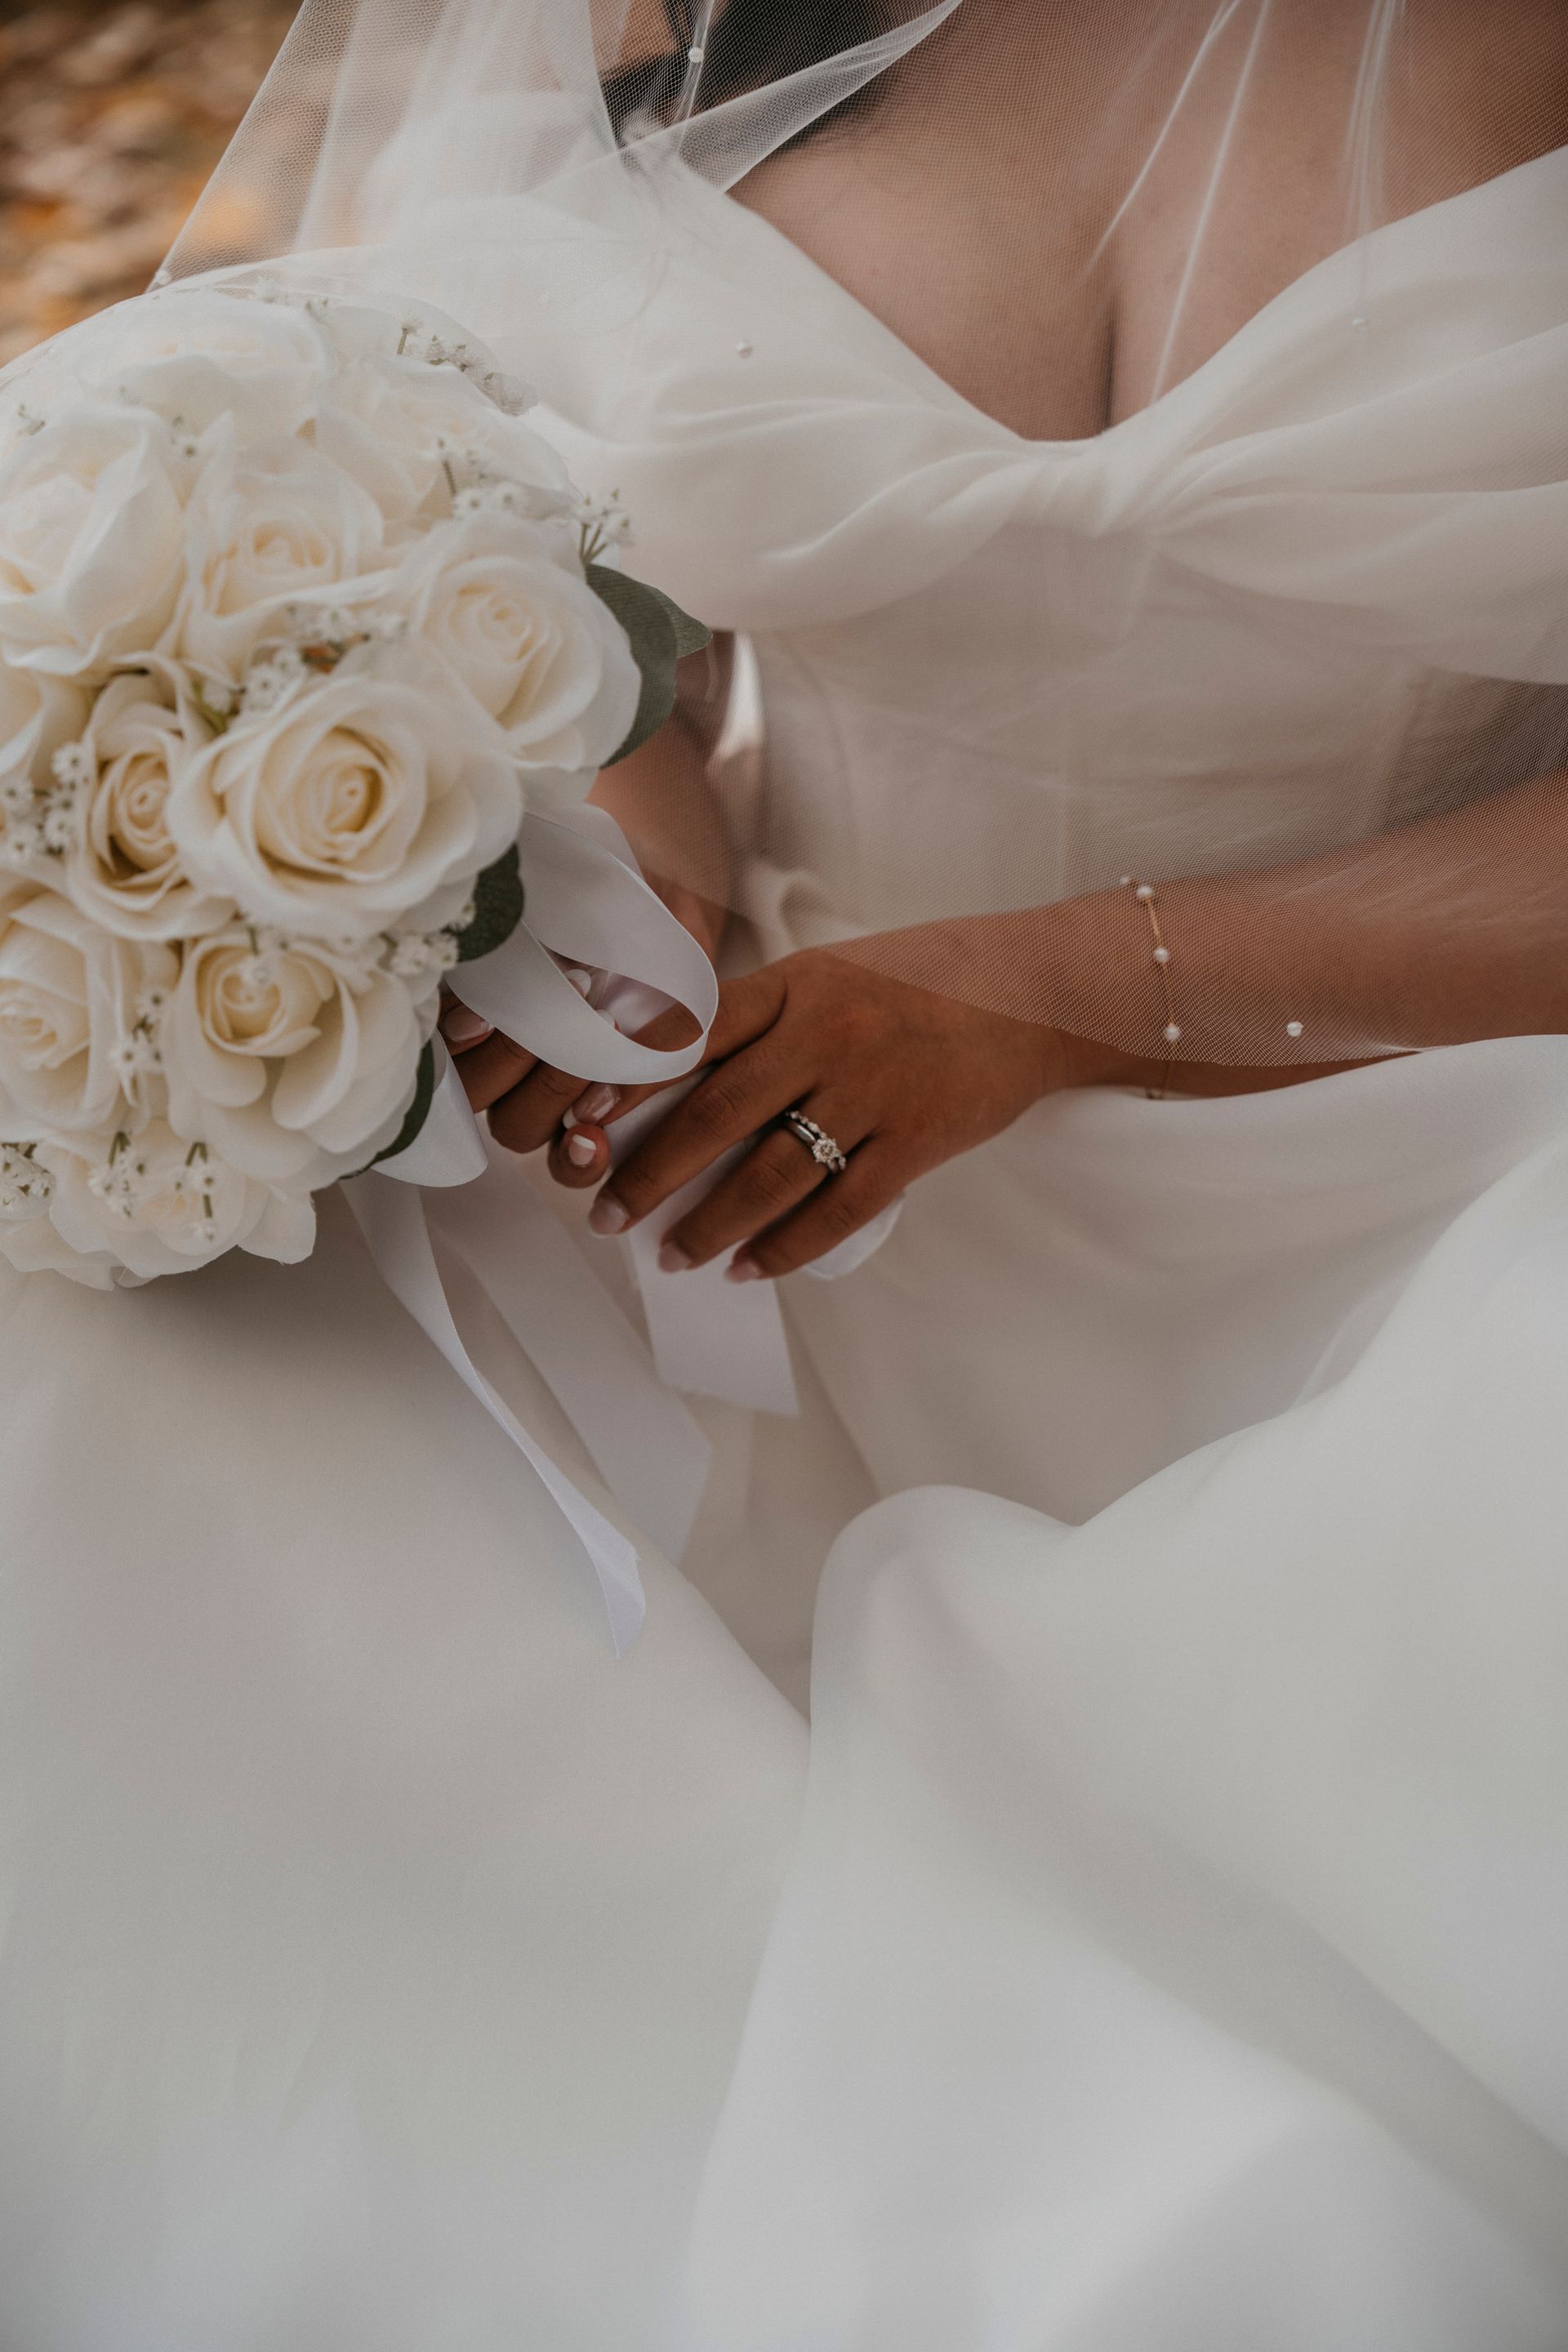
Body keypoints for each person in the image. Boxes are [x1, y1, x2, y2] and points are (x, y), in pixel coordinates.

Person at [2, 2, 1567, 2344]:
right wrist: (638, 935)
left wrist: (1052, 991)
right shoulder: (688, 12)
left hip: (1406, 1158)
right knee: (107, 1351)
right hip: (752, 1146)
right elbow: (614, 630)